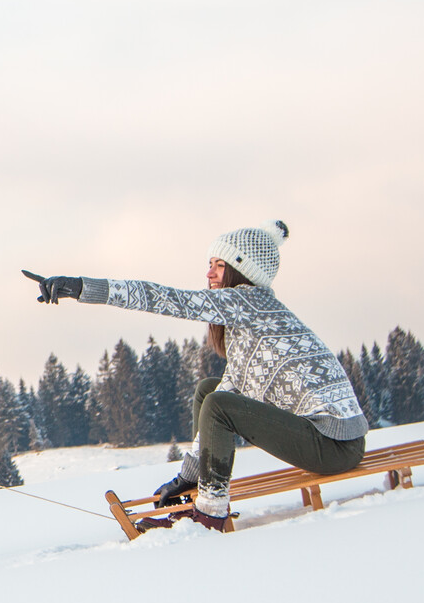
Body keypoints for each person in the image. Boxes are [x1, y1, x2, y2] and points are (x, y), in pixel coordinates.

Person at [25, 221, 368, 531]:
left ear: (242, 271)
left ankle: (209, 514)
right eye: (210, 265)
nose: (210, 274)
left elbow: (164, 299)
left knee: (219, 404)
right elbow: (231, 387)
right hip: (336, 440)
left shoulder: (246, 303)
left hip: (334, 445)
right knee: (211, 391)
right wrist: (186, 477)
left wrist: (81, 287)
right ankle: (200, 489)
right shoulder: (255, 316)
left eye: (220, 266)